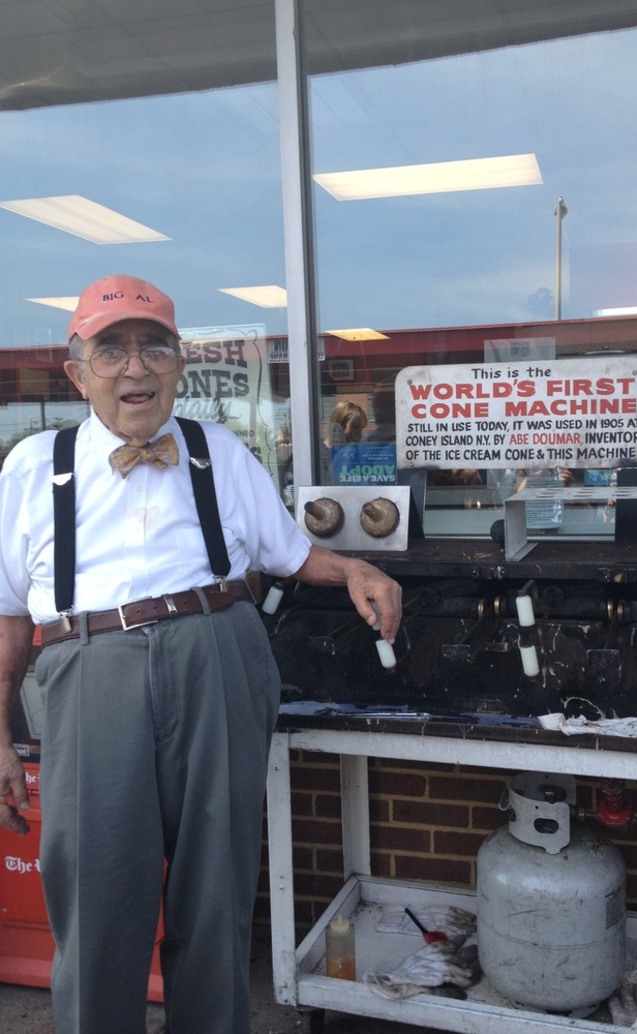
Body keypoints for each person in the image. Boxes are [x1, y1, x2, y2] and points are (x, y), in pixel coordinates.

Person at [0, 274, 402, 1034]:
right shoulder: (33, 467)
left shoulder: (219, 452)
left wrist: (352, 567)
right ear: (77, 370)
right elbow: (10, 616)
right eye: (110, 350)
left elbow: (288, 555)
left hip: (218, 655)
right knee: (95, 897)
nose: (134, 368)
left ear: (179, 364)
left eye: (153, 347)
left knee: (216, 890)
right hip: (89, 671)